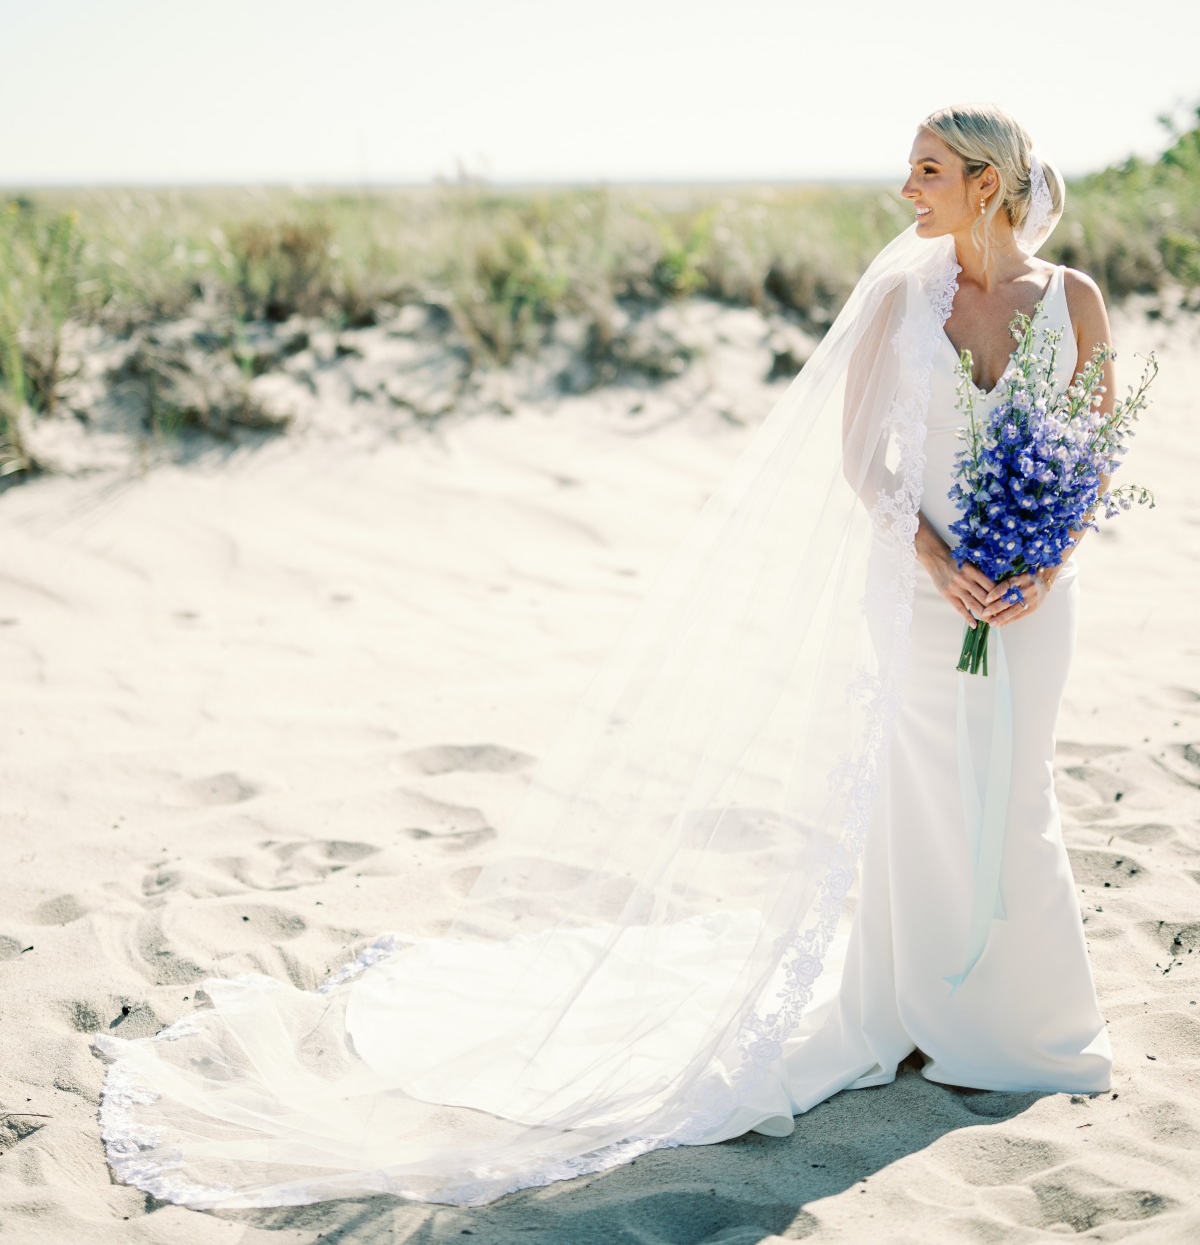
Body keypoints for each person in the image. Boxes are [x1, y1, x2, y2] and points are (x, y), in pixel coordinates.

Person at [94, 103, 1112, 1212]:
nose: (903, 190)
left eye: (925, 171)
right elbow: (861, 461)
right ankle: (918, 1007)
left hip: (1030, 599)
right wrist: (935, 559)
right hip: (922, 601)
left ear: (986, 183)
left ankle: (1023, 1024)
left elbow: (1094, 450)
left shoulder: (1073, 303)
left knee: (1017, 788)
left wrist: (1041, 568)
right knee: (916, 793)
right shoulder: (901, 301)